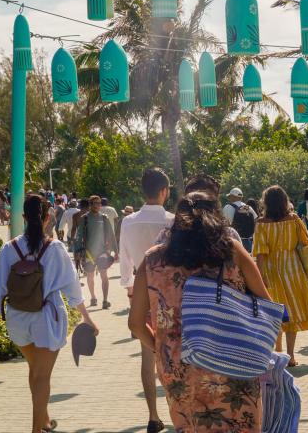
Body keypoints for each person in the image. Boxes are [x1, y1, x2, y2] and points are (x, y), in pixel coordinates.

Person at [129, 187, 269, 432]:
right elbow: (265, 304)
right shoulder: (232, 251)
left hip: (179, 365)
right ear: (216, 217)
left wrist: (162, 348)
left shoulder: (152, 260)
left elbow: (135, 324)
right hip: (234, 360)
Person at [0, 193, 98, 433]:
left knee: (35, 371)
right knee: (42, 376)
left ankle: (44, 420)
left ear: (24, 217)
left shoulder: (9, 247)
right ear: (48, 217)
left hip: (17, 318)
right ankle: (36, 429)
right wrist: (87, 317)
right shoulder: (55, 248)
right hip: (47, 318)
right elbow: (72, 288)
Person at [118, 168, 174, 433]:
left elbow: (124, 262)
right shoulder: (173, 221)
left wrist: (131, 292)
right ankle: (178, 410)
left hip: (141, 296)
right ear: (164, 191)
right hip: (170, 296)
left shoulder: (128, 222)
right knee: (174, 354)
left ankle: (153, 415)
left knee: (147, 356)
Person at [253, 185, 308, 366]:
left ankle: (278, 351)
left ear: (265, 202)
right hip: (293, 269)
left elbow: (260, 253)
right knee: (293, 311)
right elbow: (306, 242)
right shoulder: (294, 219)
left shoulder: (261, 223)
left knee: (274, 312)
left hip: (271, 270)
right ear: (285, 201)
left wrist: (259, 277)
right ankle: (291, 355)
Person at [73, 195, 117, 308]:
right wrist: (77, 251)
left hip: (102, 252)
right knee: (90, 277)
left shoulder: (104, 218)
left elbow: (111, 235)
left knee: (104, 275)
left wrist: (116, 251)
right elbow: (78, 236)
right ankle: (93, 298)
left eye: (99, 203)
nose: (97, 205)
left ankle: (105, 300)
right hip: (88, 253)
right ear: (90, 205)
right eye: (95, 203)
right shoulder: (84, 218)